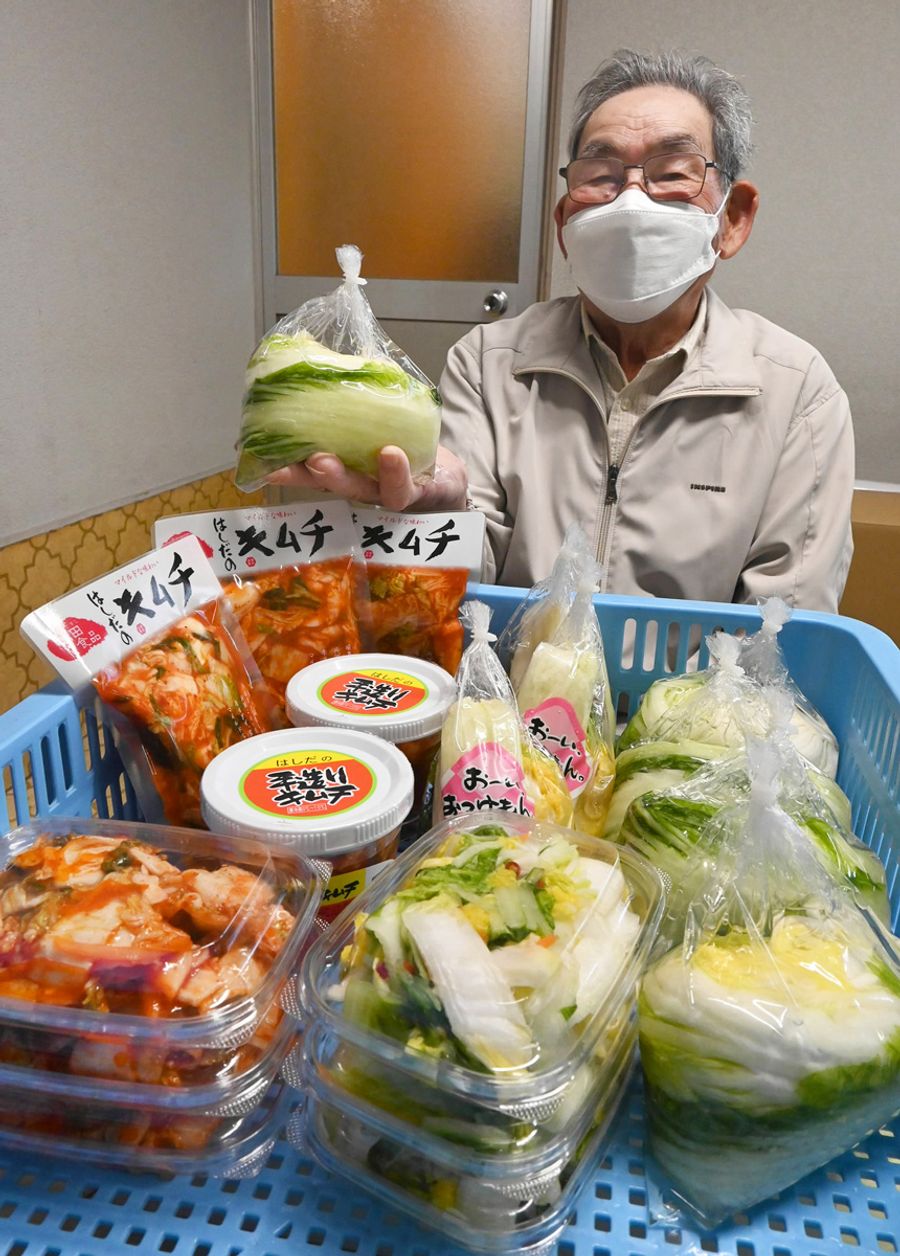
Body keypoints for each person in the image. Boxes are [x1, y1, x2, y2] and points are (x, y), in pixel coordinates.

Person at [269, 50, 854, 613]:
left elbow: (785, 633)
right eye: (599, 175)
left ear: (732, 220)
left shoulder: (795, 392)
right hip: (506, 704)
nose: (630, 200)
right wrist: (437, 513)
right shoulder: (488, 361)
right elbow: (459, 588)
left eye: (672, 172)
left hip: (692, 708)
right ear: (565, 224)